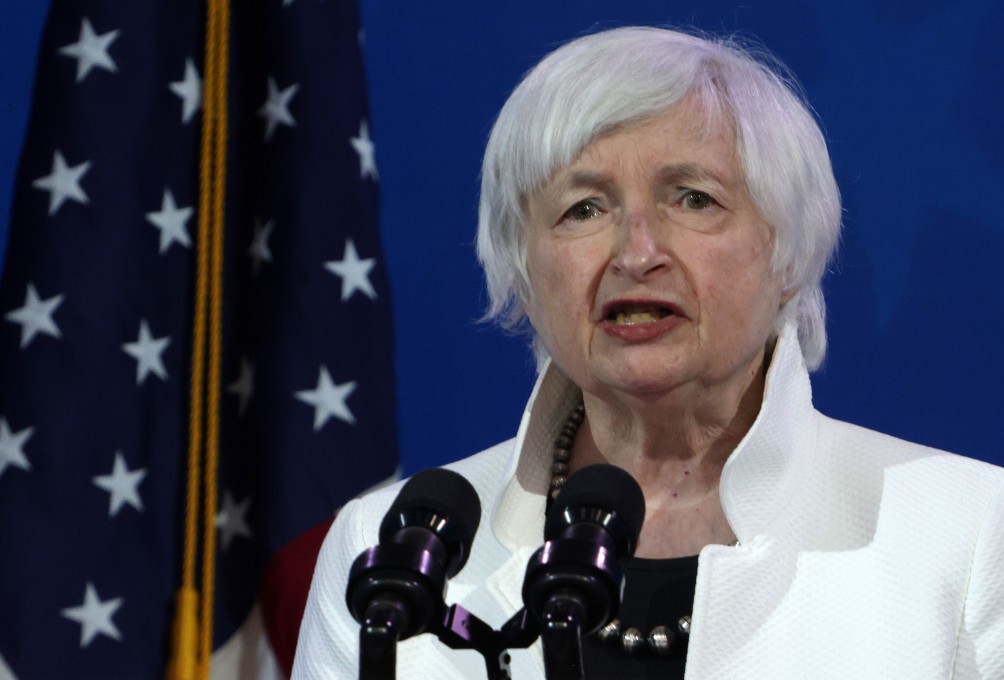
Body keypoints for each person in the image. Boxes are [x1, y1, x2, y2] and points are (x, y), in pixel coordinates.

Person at [292, 26, 1004, 679]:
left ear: (787, 253)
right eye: (583, 209)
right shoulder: (390, 556)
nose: (637, 253)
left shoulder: (971, 535)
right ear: (524, 274)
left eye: (693, 199)